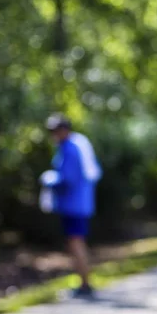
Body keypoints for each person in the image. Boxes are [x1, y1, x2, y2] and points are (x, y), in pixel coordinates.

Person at [39, 113, 102, 298]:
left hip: (74, 205)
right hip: (79, 204)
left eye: (55, 131)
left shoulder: (70, 148)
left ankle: (84, 284)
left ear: (64, 130)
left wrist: (50, 180)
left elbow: (69, 179)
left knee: (76, 243)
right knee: (76, 242)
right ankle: (84, 282)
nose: (53, 135)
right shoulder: (78, 144)